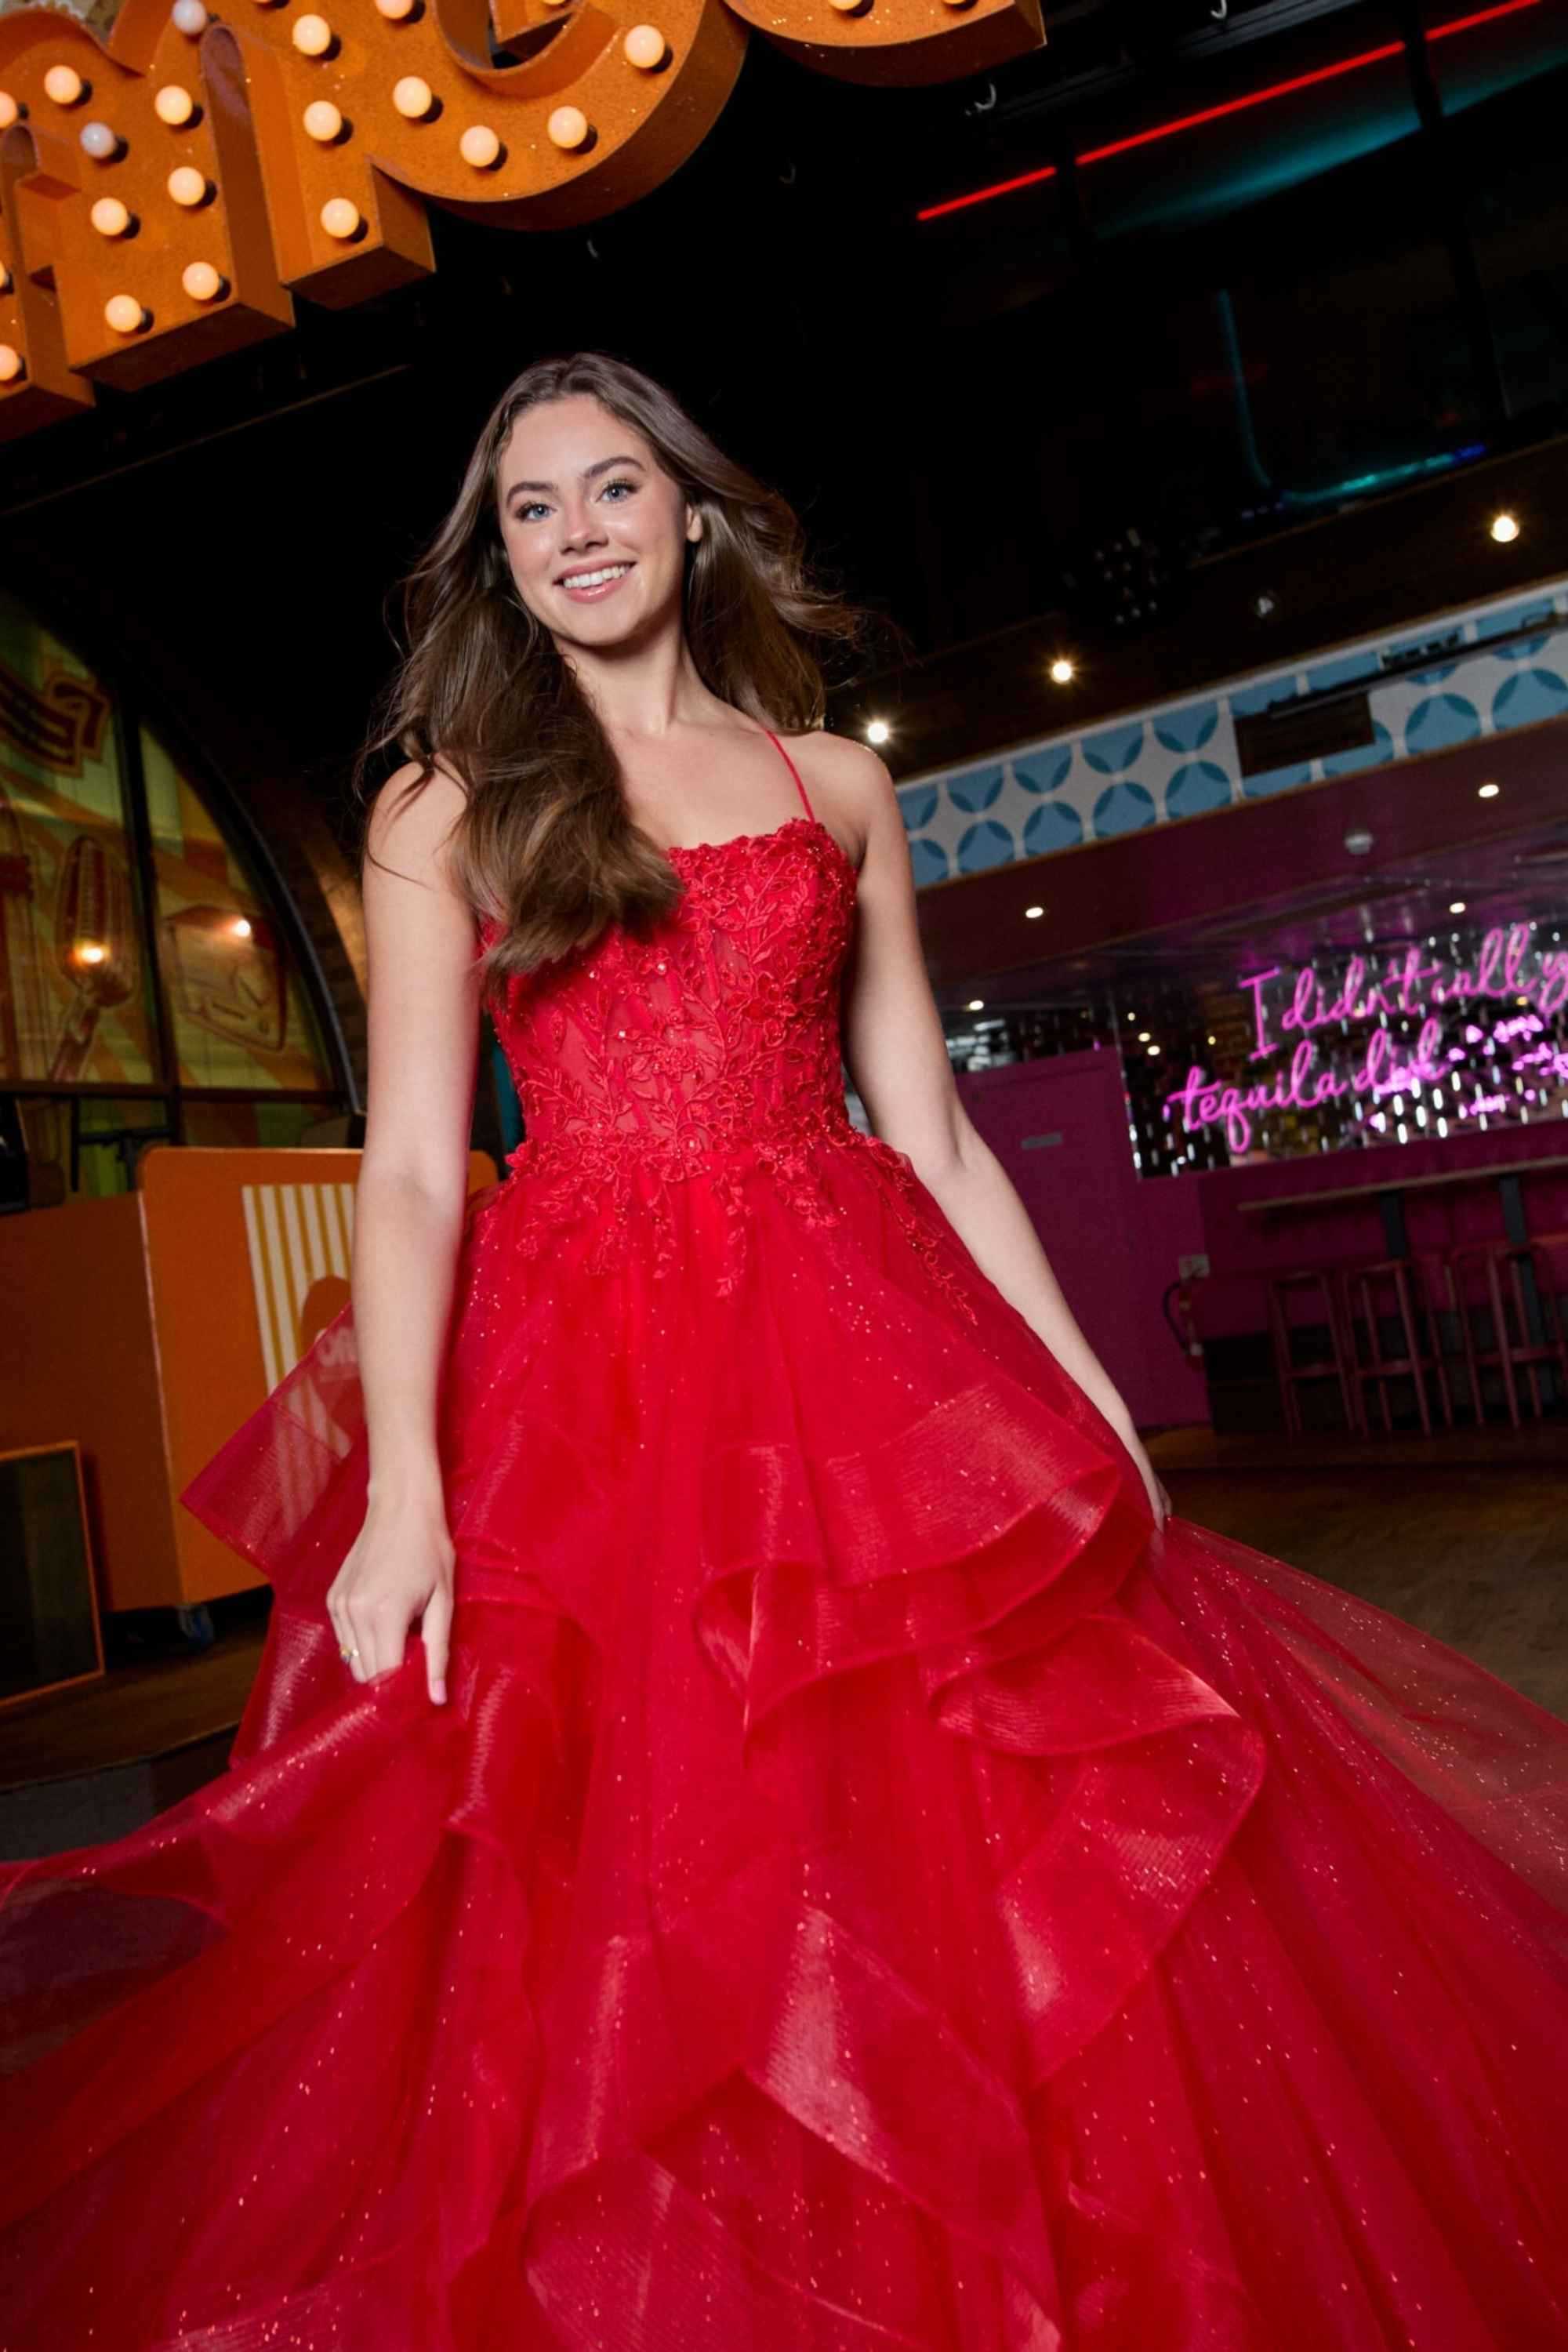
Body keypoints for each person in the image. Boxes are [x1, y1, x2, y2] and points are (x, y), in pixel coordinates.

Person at [1, 350, 1565, 2352]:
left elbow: (936, 1133)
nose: (575, 535)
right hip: (591, 1390)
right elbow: (405, 1176)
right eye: (531, 510)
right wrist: (404, 1493)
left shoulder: (835, 784)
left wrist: (1091, 1399)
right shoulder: (445, 807)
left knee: (939, 1828)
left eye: (610, 490)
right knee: (628, 1857)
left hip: (853, 1339)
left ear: (690, 512)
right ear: (498, 561)